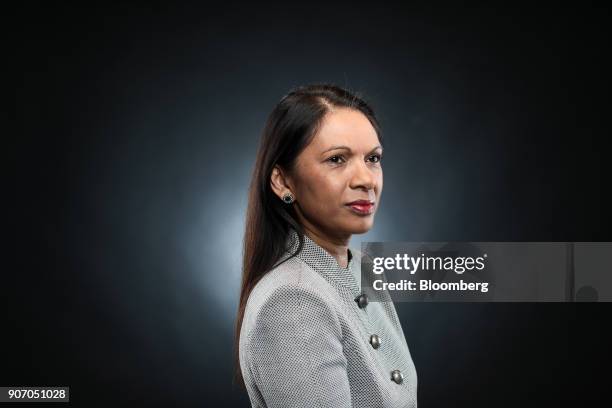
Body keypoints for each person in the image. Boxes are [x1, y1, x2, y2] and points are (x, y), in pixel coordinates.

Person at [234, 83, 417, 407]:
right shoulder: (293, 300)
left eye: (373, 158)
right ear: (282, 181)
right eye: (337, 159)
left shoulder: (363, 269)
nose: (366, 179)